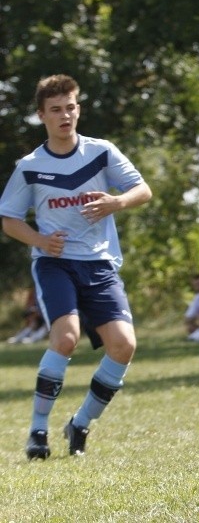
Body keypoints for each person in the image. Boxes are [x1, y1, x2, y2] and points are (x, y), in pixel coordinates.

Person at [0, 74, 152, 459]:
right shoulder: (31, 166)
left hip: (99, 265)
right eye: (56, 110)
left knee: (124, 346)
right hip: (56, 264)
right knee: (65, 338)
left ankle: (80, 423)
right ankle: (37, 432)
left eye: (70, 107)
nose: (65, 115)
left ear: (78, 109)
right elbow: (9, 219)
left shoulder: (101, 152)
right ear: (42, 116)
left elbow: (143, 190)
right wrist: (39, 241)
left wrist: (116, 203)